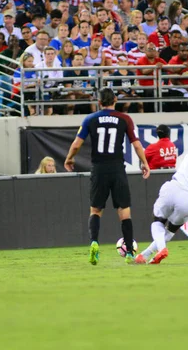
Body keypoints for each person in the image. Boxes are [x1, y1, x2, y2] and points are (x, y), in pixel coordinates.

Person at [64, 88, 150, 265]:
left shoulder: (90, 119)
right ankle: (128, 253)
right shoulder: (125, 118)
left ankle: (94, 243)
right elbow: (136, 144)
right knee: (124, 211)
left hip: (99, 169)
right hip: (117, 168)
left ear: (99, 102)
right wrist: (144, 162)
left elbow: (76, 144)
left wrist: (69, 158)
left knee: (95, 210)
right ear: (115, 100)